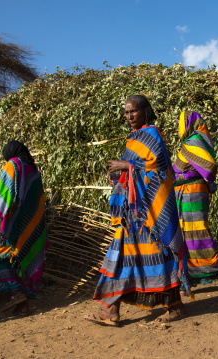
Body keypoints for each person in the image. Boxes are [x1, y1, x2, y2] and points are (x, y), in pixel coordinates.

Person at [85, 95, 187, 326]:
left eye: (134, 111)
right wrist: (118, 175)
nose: (130, 116)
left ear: (145, 111)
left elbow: (160, 169)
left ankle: (176, 306)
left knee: (156, 255)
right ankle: (111, 310)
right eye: (127, 113)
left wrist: (126, 166)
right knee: (122, 257)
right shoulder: (133, 140)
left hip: (150, 215)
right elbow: (134, 172)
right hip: (131, 214)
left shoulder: (151, 135)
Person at [173, 110, 218, 293]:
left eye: (181, 123)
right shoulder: (198, 139)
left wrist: (205, 180)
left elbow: (209, 167)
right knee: (187, 237)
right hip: (187, 194)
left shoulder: (193, 141)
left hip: (191, 194)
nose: (179, 128)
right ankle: (186, 278)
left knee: (198, 236)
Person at [0, 140, 48, 316]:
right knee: (19, 260)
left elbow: (3, 196)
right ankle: (23, 305)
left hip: (10, 225)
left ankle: (16, 293)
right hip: (29, 225)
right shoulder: (33, 169)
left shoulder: (12, 165)